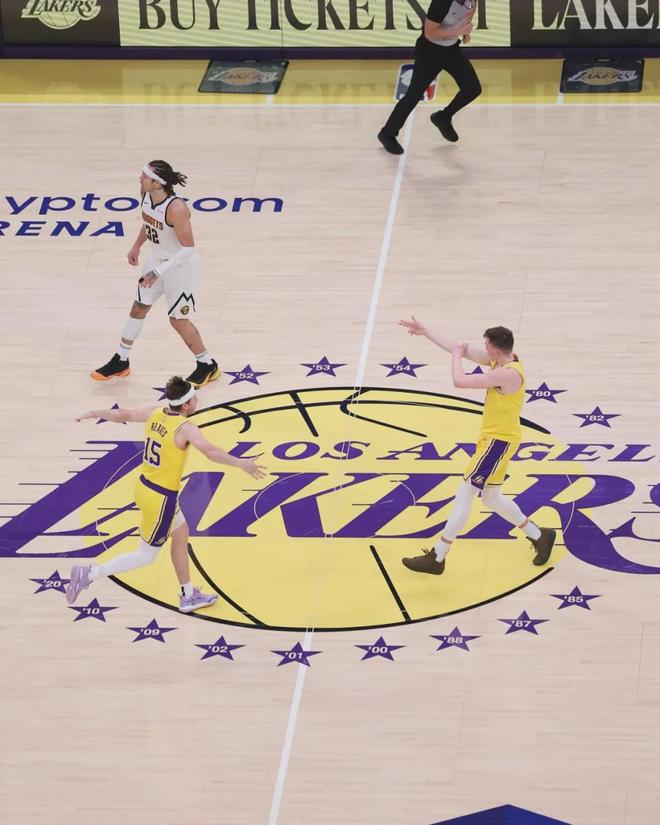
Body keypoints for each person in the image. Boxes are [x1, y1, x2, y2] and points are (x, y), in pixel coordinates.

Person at [66, 375, 267, 611]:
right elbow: (210, 452)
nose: (197, 401)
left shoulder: (157, 412)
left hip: (145, 486)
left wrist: (93, 413)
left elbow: (123, 415)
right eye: (194, 399)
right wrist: (241, 464)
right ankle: (91, 573)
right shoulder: (185, 428)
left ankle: (188, 595)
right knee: (146, 555)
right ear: (186, 406)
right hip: (162, 498)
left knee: (180, 534)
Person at [398, 318, 556, 574]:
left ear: (496, 350)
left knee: (465, 493)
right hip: (498, 439)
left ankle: (438, 555)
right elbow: (460, 348)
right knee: (492, 498)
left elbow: (459, 380)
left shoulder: (507, 374)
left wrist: (456, 358)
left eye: (486, 345)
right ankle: (540, 535)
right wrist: (426, 332)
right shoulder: (504, 360)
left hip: (497, 442)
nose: (484, 349)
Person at [91, 160, 220, 389]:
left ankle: (207, 364)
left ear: (158, 183)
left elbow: (188, 249)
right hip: (156, 261)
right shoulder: (145, 194)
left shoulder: (177, 208)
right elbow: (149, 221)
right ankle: (121, 360)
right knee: (138, 307)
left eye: (145, 176)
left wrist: (157, 272)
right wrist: (136, 246)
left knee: (177, 320)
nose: (140, 179)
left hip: (179, 267)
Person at [378, 0, 481, 155]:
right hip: (430, 51)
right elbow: (429, 32)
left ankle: (443, 117)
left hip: (451, 49)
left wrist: (466, 31)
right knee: (414, 95)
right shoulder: (442, 2)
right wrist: (458, 30)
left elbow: (471, 8)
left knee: (472, 89)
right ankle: (387, 133)